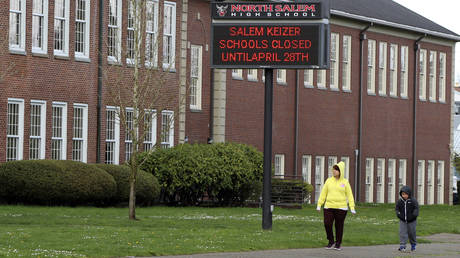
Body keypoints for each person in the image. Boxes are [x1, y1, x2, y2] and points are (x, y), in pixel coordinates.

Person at [316, 161, 355, 251]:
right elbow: (323, 193)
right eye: (333, 169)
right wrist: (319, 204)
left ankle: (338, 244)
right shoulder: (328, 181)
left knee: (339, 226)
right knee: (327, 223)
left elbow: (350, 195)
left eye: (336, 170)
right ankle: (331, 241)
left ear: (340, 171)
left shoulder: (345, 182)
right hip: (329, 206)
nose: (334, 171)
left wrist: (352, 207)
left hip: (341, 208)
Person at [395, 185, 419, 252]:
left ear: (409, 194)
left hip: (412, 220)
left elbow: (416, 209)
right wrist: (398, 214)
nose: (404, 196)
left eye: (405, 194)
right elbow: (397, 209)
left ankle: (413, 245)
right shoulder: (400, 201)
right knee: (402, 233)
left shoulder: (413, 201)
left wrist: (414, 215)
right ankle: (402, 245)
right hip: (403, 220)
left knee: (411, 233)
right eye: (403, 194)